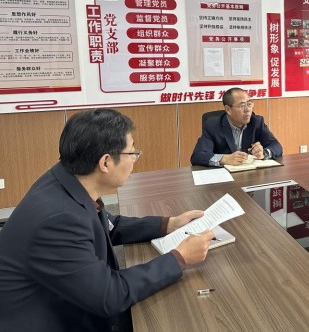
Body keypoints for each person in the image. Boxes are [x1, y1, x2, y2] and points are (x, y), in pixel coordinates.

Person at [0, 108, 214, 332]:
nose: (135, 160)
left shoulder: (66, 178)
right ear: (105, 162)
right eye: (132, 153)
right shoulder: (59, 219)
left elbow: (108, 225)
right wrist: (179, 257)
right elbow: (109, 296)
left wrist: (168, 224)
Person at [191, 87, 283, 167]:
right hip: (225, 177)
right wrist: (224, 158)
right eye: (242, 105)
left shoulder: (257, 122)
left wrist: (264, 153)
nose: (248, 110)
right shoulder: (212, 126)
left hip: (251, 176)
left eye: (249, 104)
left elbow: (276, 146)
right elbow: (198, 156)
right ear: (228, 109)